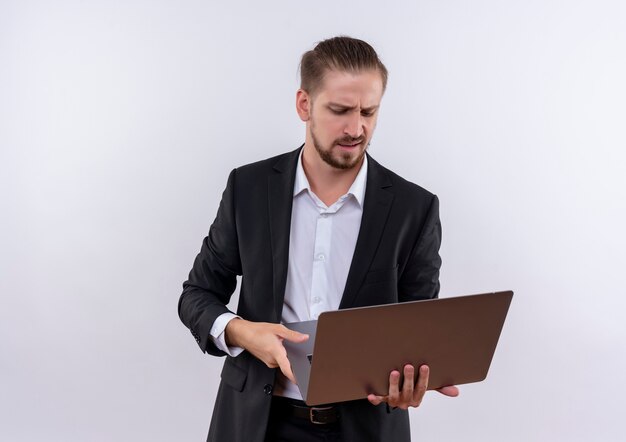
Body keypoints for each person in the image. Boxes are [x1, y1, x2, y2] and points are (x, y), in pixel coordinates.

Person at [178, 36, 458, 442]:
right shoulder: (249, 189)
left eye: (369, 111)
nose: (356, 128)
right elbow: (196, 295)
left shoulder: (415, 208)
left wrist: (412, 381)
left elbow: (417, 331)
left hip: (365, 429)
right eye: (340, 111)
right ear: (304, 105)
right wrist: (243, 332)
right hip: (257, 423)